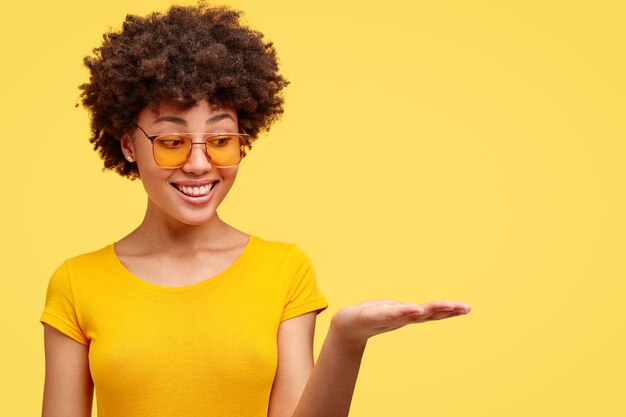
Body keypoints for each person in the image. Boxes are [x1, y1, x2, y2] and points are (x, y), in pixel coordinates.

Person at [40, 3, 471, 416]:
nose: (198, 164)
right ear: (128, 146)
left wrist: (347, 338)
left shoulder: (285, 270)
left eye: (221, 141)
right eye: (171, 143)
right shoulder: (77, 284)